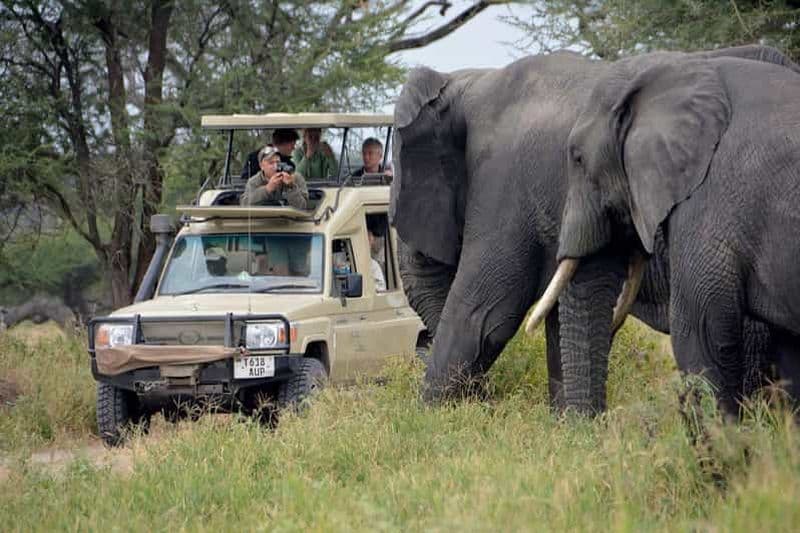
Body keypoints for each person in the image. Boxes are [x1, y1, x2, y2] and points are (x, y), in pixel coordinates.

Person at [240, 145, 308, 208]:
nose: (275, 166)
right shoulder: (254, 181)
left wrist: (291, 187)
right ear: (261, 166)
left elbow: (302, 207)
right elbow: (244, 204)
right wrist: (267, 189)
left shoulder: (296, 178)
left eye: (278, 162)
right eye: (271, 163)